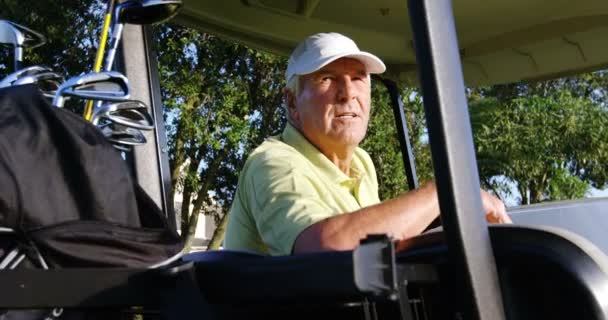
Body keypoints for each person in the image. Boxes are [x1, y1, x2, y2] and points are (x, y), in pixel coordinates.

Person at [224, 32, 511, 256]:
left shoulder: (361, 162)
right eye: (327, 78)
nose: (348, 93)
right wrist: (443, 192)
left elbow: (377, 246)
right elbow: (325, 248)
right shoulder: (274, 162)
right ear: (291, 102)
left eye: (359, 78)